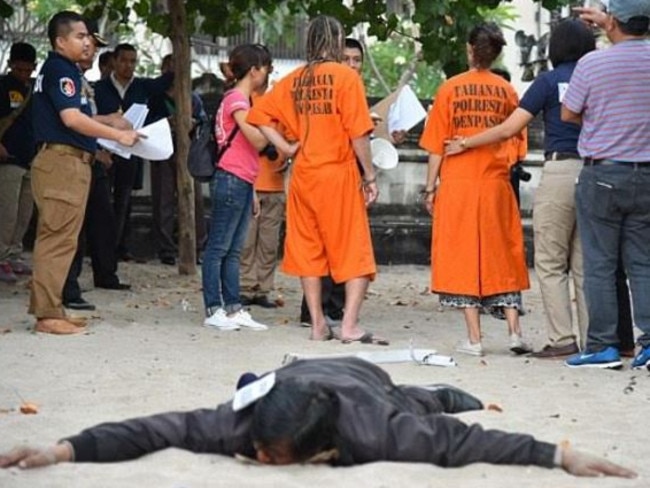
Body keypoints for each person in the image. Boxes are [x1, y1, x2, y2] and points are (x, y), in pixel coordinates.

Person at [0, 357, 636, 479]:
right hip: (291, 373)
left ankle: (444, 384)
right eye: (262, 454)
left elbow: (468, 444)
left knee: (430, 401)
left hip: (368, 382)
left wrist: (560, 454)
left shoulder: (380, 431)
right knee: (254, 383)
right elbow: (149, 431)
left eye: (274, 459)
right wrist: (60, 450)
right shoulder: (238, 425)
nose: (260, 461)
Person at [445, 19, 595, 358]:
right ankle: (595, 341)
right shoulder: (597, 78)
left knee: (551, 261)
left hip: (559, 169)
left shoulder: (547, 81)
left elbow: (507, 129)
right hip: (594, 170)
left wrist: (465, 143)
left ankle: (562, 340)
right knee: (587, 264)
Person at [248, 17, 385, 344]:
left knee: (310, 251)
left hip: (303, 176)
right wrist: (370, 174)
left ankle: (318, 324)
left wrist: (284, 146)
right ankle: (349, 325)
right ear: (337, 41)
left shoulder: (294, 79)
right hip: (337, 175)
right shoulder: (346, 78)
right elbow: (359, 134)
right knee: (354, 251)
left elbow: (259, 116)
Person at [419, 23, 531, 357]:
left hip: (458, 185)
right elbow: (518, 146)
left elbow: (437, 146)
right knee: (504, 255)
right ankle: (514, 332)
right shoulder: (507, 91)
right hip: (496, 183)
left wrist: (429, 188)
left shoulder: (450, 89)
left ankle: (474, 338)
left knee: (462, 256)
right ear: (496, 53)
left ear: (469, 50)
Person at [29, 10, 140, 335]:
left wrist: (108, 120)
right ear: (60, 41)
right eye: (80, 36)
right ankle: (47, 315)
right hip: (61, 163)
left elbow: (75, 114)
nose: (88, 42)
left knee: (63, 238)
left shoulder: (65, 71)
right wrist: (118, 135)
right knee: (57, 239)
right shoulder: (60, 70)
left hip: (69, 161)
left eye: (89, 37)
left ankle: (53, 307)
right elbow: (71, 120)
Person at [561, 0, 650, 370]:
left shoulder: (593, 63)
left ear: (611, 21)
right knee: (643, 263)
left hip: (602, 173)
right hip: (646, 173)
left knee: (598, 264)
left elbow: (568, 112)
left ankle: (603, 346)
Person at [201, 44, 274, 332]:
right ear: (254, 70)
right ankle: (214, 307)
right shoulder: (236, 101)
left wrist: (253, 190)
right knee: (218, 248)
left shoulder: (242, 99)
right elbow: (256, 141)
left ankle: (233, 307)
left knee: (232, 250)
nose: (267, 73)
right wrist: (276, 133)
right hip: (231, 179)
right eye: (266, 67)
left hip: (241, 180)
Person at [62, 20, 131, 311]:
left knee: (103, 219)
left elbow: (85, 119)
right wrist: (114, 130)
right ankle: (68, 287)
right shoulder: (62, 76)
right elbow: (73, 120)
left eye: (95, 47)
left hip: (93, 158)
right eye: (85, 43)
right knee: (71, 228)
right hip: (72, 159)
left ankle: (106, 273)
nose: (90, 51)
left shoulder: (81, 80)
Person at [93, 43, 173, 264]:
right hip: (104, 152)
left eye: (132, 61)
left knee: (124, 202)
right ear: (114, 62)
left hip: (130, 154)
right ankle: (100, 249)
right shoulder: (99, 88)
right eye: (124, 60)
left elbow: (166, 81)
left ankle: (119, 247)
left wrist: (179, 55)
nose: (128, 65)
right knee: (101, 202)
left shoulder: (141, 87)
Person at [147, 54, 207, 266]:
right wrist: (166, 122)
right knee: (163, 199)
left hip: (189, 152)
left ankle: (197, 246)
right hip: (163, 150)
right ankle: (166, 249)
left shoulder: (193, 98)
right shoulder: (155, 97)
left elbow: (204, 123)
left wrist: (192, 124)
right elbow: (147, 122)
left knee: (195, 200)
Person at [0, 42, 37, 283]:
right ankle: (1, 256)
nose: (23, 73)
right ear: (11, 64)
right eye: (19, 69)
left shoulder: (35, 90)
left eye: (28, 69)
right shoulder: (2, 86)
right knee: (7, 212)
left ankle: (14, 252)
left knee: (24, 212)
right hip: (7, 159)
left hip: (30, 159)